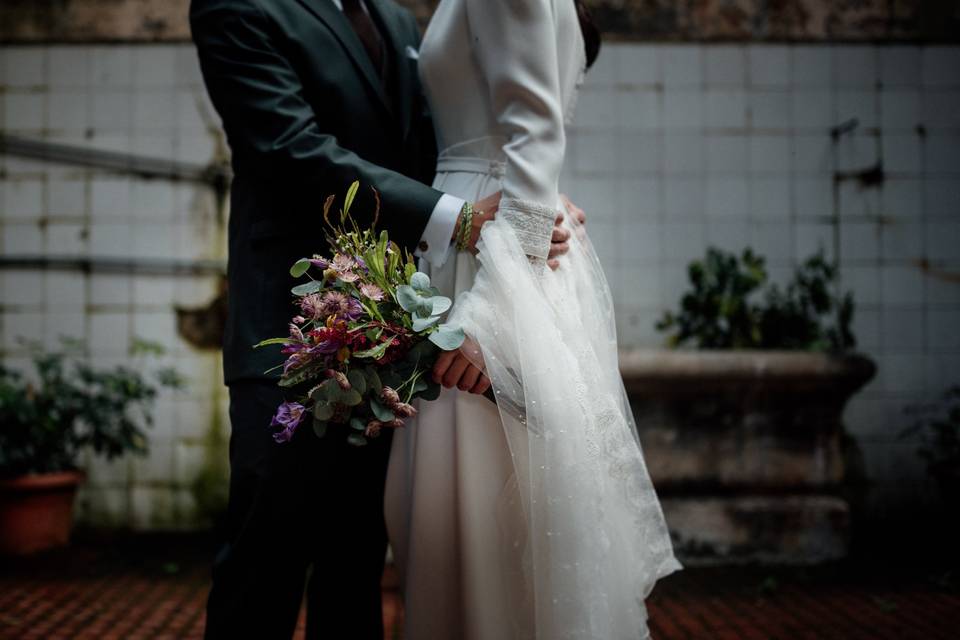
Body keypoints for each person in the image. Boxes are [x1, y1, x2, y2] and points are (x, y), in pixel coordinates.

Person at [189, 0, 575, 637]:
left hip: (389, 342)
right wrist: (461, 219)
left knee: (356, 568)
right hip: (286, 339)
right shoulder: (238, 7)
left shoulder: (394, 19)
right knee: (263, 567)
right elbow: (290, 149)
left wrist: (543, 207)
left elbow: (448, 145)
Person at [384, 1, 681, 638]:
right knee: (458, 518)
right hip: (482, 241)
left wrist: (491, 318)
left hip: (487, 267)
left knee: (483, 518)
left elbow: (536, 134)